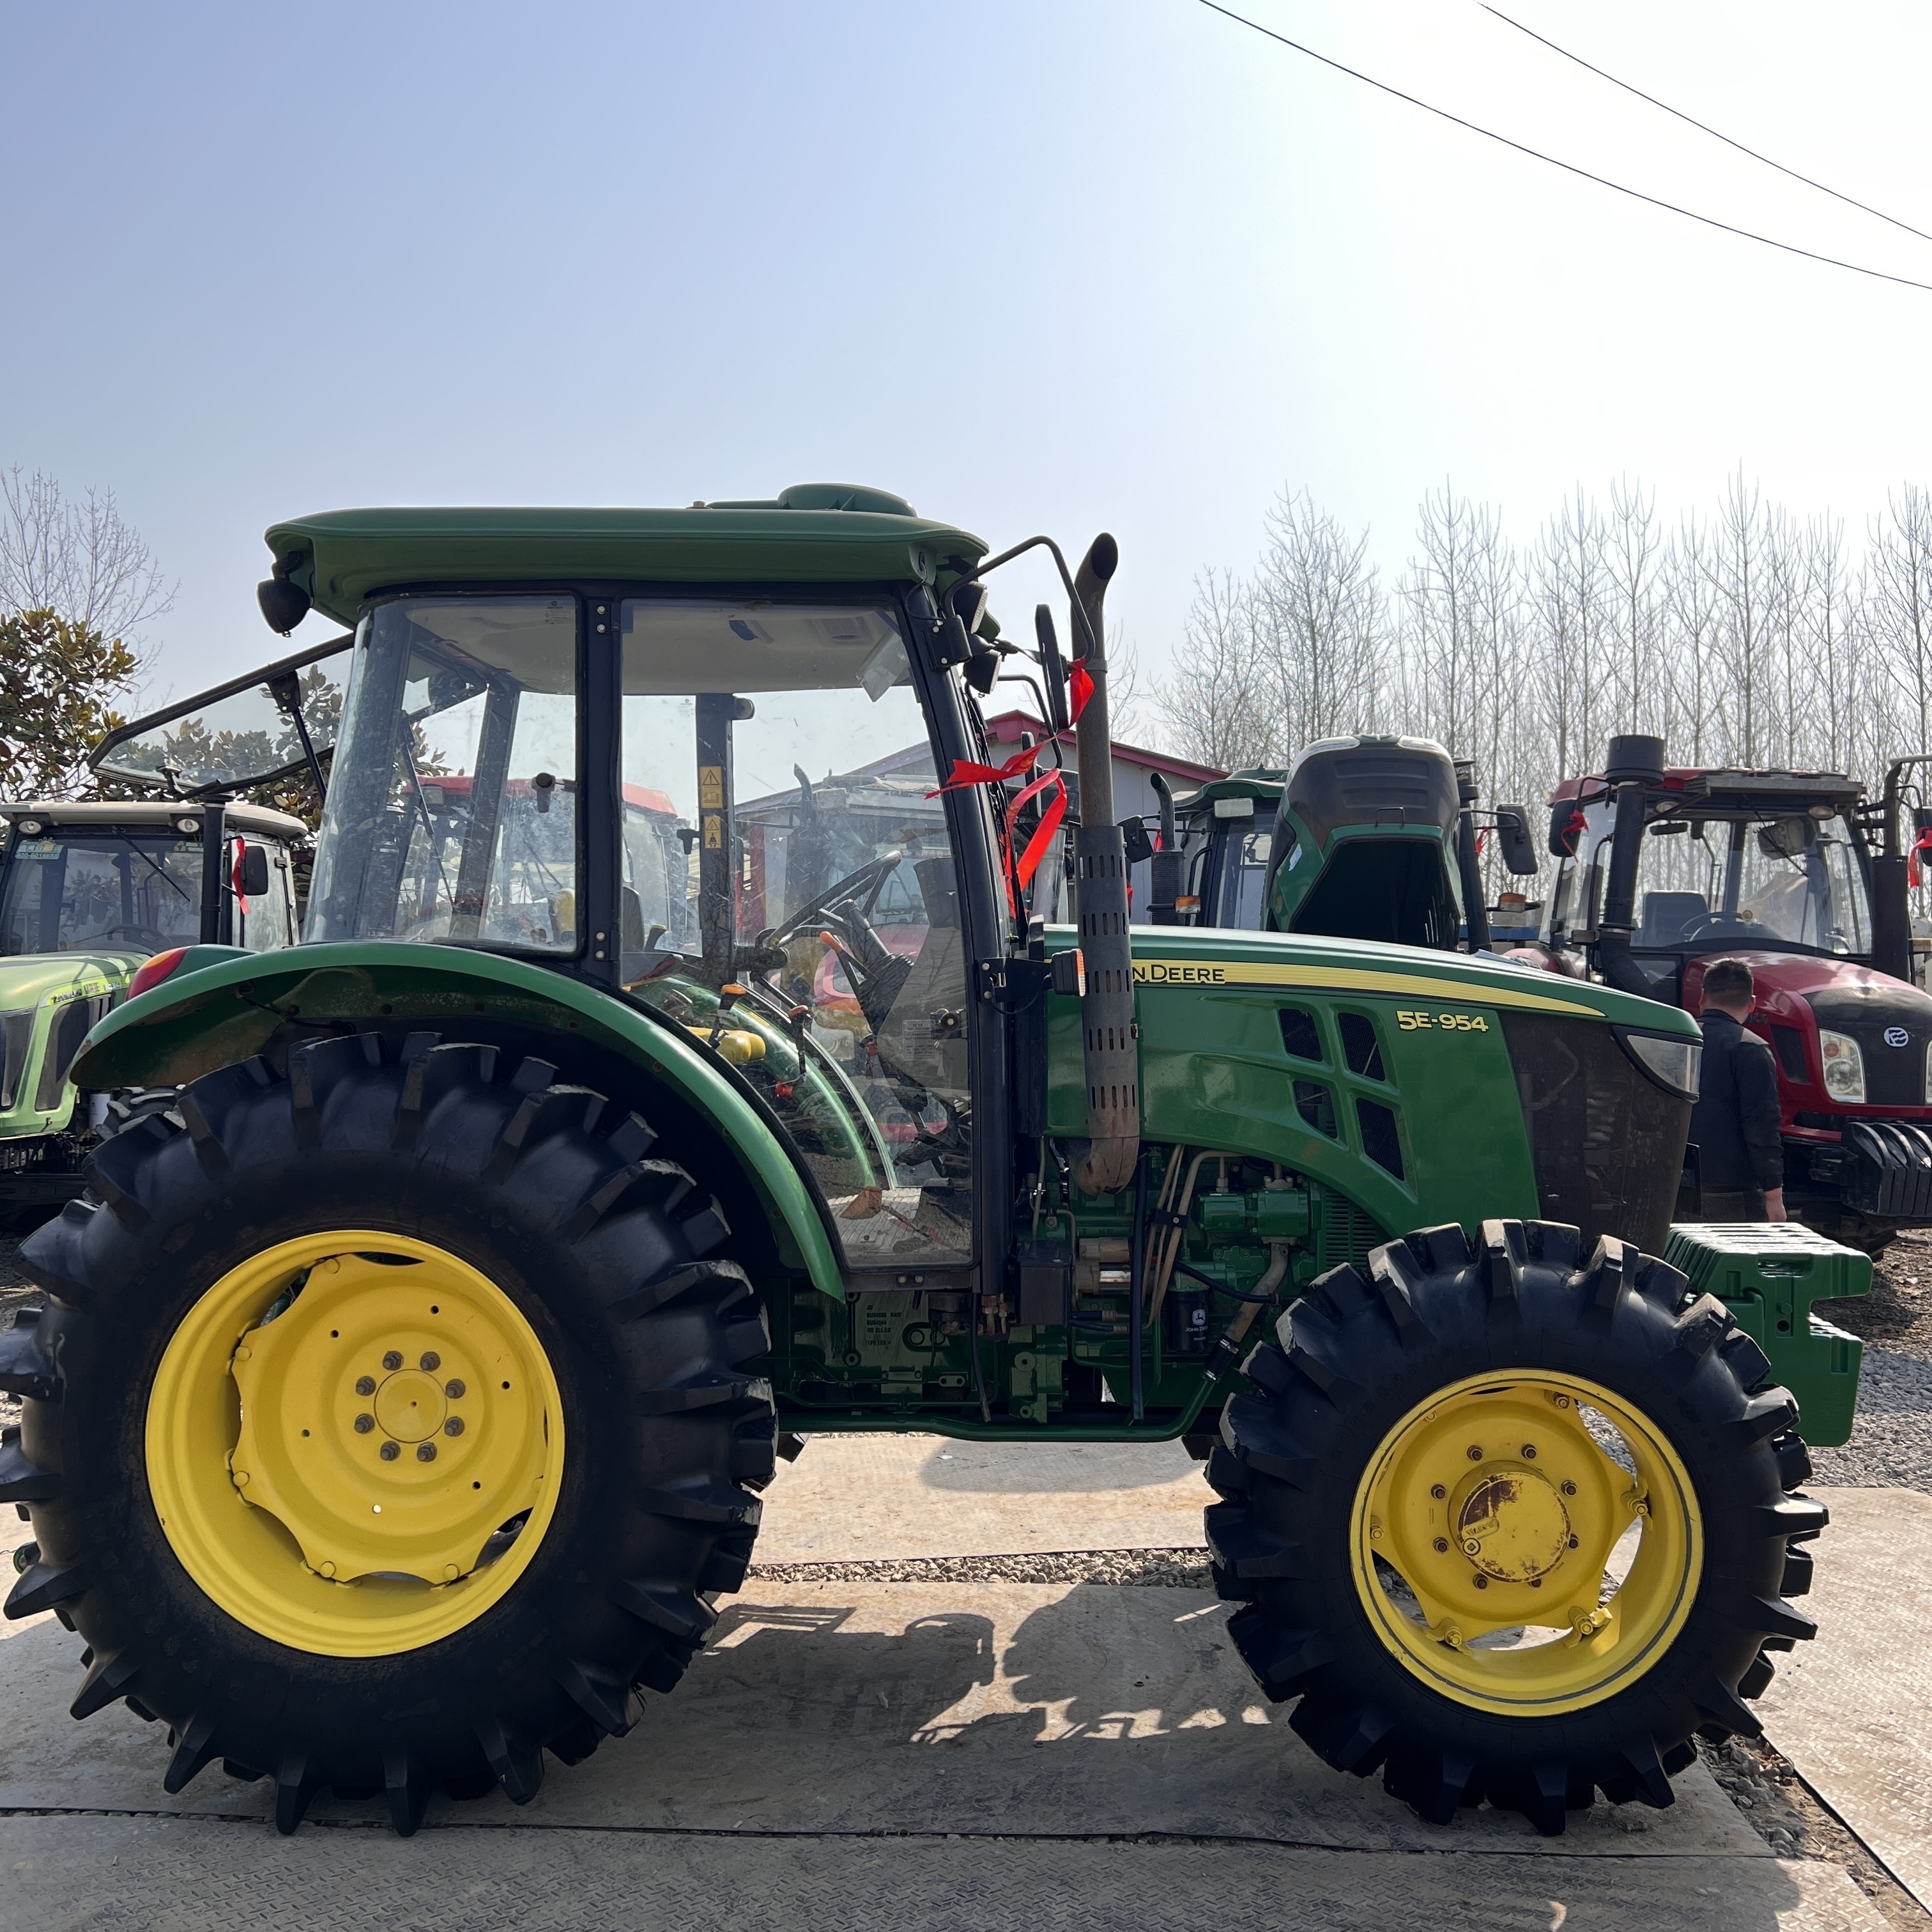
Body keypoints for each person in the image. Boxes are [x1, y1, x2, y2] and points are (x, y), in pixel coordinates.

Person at [1690, 957, 1786, 1222]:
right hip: (1730, 1191)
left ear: (1702, 997)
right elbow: (1762, 1125)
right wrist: (1773, 1196)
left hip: (1676, 1184)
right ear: (1752, 1003)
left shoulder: (1676, 1040)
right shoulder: (1751, 1049)